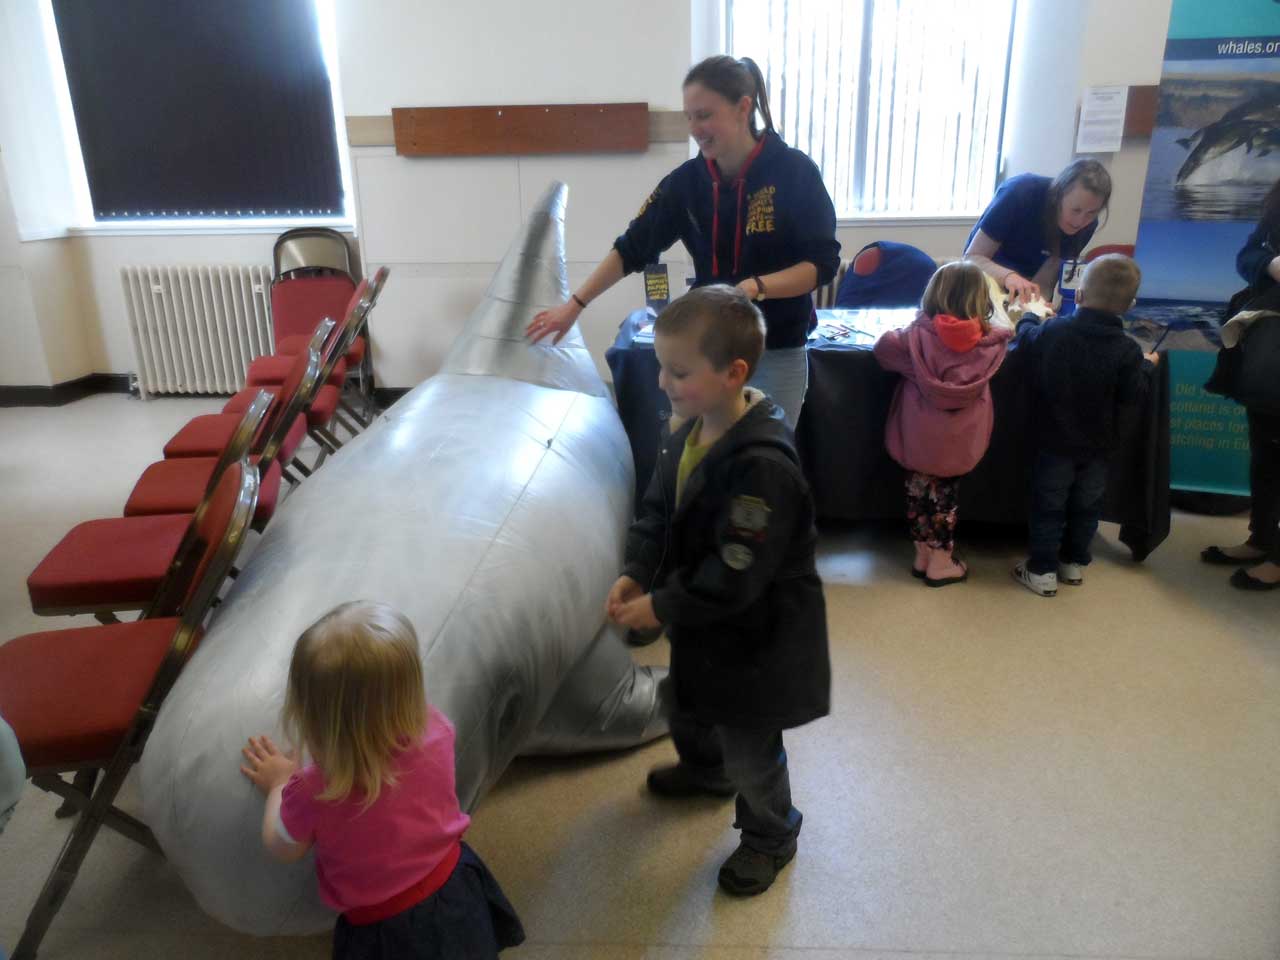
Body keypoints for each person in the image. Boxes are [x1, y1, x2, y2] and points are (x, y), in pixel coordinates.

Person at [605, 284, 830, 897]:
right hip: (703, 622)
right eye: (660, 367)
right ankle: (706, 773)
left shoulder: (762, 467)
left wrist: (658, 604)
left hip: (759, 639)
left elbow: (736, 576)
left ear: (734, 374)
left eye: (678, 371)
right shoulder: (686, 431)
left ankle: (770, 834)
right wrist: (637, 570)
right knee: (688, 702)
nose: (661, 383)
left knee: (751, 747)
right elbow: (657, 511)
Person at [525, 55, 841, 429]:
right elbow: (632, 248)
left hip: (778, 351)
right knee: (704, 461)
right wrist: (575, 305)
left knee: (765, 461)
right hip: (708, 355)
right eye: (688, 116)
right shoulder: (686, 183)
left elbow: (821, 264)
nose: (695, 128)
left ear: (743, 108)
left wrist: (756, 288)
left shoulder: (795, 172)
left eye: (704, 115)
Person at [240, 601, 525, 959]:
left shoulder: (316, 789)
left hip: (386, 931)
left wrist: (280, 785)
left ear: (310, 715)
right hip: (455, 888)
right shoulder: (436, 731)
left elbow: (282, 846)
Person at [1011, 255, 1159, 597]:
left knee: (1048, 506)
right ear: (1130, 306)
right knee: (1086, 507)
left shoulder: (1054, 331)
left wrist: (1029, 316)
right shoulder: (1127, 350)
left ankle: (1041, 570)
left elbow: (1026, 342)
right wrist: (1147, 366)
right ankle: (1073, 563)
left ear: (1078, 295)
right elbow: (1132, 394)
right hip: (1099, 449)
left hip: (1053, 443)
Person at [872, 260, 1012, 586]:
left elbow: (882, 349)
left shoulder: (915, 337)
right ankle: (941, 561)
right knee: (944, 498)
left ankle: (922, 555)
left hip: (918, 434)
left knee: (917, 491)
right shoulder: (992, 345)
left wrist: (914, 371)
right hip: (960, 440)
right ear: (981, 300)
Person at [964, 159, 1112, 306]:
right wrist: (1008, 276)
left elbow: (1044, 283)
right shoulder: (1019, 193)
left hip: (1023, 283)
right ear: (1058, 196)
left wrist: (1036, 308)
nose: (1080, 221)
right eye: (1076, 210)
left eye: (1091, 213)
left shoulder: (1088, 225)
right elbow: (972, 258)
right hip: (982, 278)